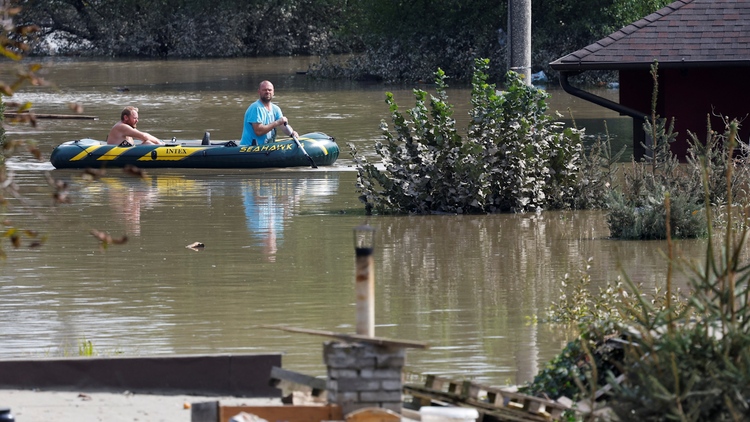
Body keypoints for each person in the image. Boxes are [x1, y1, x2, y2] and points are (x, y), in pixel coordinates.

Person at [240, 80, 298, 146]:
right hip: (250, 148)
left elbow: (283, 126)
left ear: (273, 92)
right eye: (264, 90)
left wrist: (291, 133)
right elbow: (258, 131)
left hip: (267, 147)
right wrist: (277, 123)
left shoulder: (276, 109)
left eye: (269, 90)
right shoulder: (256, 108)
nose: (267, 92)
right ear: (259, 92)